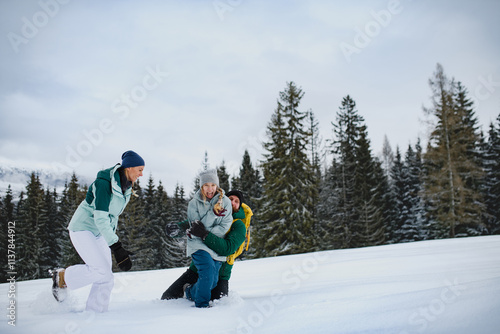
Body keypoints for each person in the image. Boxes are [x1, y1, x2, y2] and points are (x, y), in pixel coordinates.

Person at [50, 150, 144, 313]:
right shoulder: (104, 183)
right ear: (128, 168)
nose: (141, 174)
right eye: (140, 170)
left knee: (106, 276)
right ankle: (64, 277)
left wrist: (113, 241)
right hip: (82, 228)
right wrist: (116, 246)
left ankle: (96, 314)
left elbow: (111, 216)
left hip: (99, 232)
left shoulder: (126, 185)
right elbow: (100, 217)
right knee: (100, 270)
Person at [162, 189, 252, 301]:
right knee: (167, 298)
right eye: (230, 199)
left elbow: (227, 249)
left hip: (220, 276)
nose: (233, 202)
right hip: (197, 269)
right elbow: (192, 224)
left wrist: (205, 234)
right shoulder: (212, 213)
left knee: (217, 302)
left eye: (237, 201)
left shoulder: (239, 226)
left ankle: (190, 292)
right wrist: (177, 229)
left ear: (239, 206)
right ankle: (190, 290)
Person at [164, 169, 232, 308]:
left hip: (214, 246)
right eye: (206, 185)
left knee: (212, 281)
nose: (210, 189)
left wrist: (205, 232)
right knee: (207, 272)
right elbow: (196, 228)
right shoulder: (194, 204)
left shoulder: (225, 202)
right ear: (201, 187)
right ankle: (202, 306)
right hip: (198, 245)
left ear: (217, 186)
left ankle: (190, 292)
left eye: (213, 185)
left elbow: (224, 226)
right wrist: (213, 215)